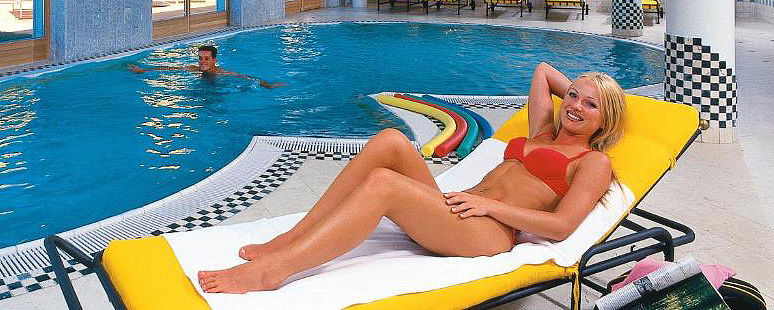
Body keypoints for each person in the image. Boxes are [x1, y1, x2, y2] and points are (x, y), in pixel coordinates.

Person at [197, 61, 625, 294]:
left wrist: (490, 206)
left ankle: (275, 271)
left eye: (590, 106)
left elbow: (561, 226)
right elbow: (543, 71)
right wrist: (586, 93)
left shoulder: (592, 162)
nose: (575, 106)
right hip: (457, 210)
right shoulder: (542, 132)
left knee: (383, 184)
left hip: (489, 232)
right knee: (391, 140)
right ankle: (290, 238)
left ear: (606, 120)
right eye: (573, 96)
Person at [126, 45, 286, 89]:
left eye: (206, 59)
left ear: (214, 60)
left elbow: (249, 78)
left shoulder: (223, 74)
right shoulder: (194, 69)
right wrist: (145, 70)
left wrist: (268, 85)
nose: (202, 62)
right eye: (200, 58)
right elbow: (169, 68)